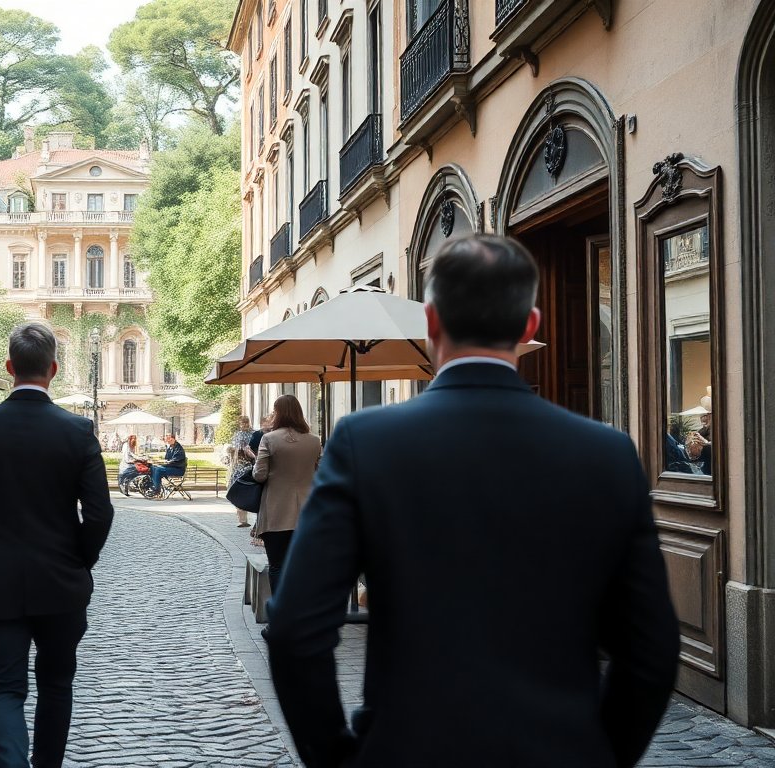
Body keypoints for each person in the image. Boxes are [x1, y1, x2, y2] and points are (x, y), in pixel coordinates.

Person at [264, 235, 679, 768]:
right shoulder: (607, 454)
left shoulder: (365, 443)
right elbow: (651, 650)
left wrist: (339, 760)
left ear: (431, 322)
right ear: (529, 325)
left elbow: (295, 630)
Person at [0, 322, 114, 768]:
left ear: (9, 367)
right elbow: (99, 514)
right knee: (56, 685)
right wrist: (79, 559)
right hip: (61, 582)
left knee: (3, 689)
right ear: (53, 369)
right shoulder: (77, 430)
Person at [251, 396, 320, 592]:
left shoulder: (269, 439)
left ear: (278, 413)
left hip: (276, 511)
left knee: (277, 566)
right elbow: (320, 473)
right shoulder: (314, 441)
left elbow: (259, 475)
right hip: (307, 511)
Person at [228, 416, 255, 527]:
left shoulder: (253, 434)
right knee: (238, 491)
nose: (244, 425)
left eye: (246, 422)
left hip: (249, 466)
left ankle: (246, 518)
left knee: (247, 491)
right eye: (242, 423)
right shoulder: (237, 435)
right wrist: (231, 450)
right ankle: (242, 519)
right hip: (238, 466)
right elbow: (233, 448)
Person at [146, 434, 187, 499]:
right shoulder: (170, 448)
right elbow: (167, 459)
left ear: (173, 439)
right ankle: (154, 487)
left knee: (158, 470)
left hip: (178, 469)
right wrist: (162, 462)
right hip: (171, 467)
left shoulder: (178, 448)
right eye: (167, 439)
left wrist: (165, 463)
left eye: (169, 439)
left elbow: (175, 461)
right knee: (153, 467)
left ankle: (157, 491)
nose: (168, 440)